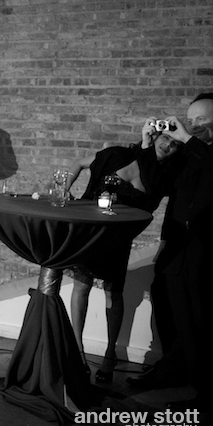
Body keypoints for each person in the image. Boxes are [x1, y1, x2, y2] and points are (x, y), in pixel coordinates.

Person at [64, 122, 184, 383]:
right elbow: (79, 163)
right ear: (155, 136)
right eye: (166, 138)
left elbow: (156, 202)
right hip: (89, 232)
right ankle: (78, 352)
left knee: (113, 293)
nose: (168, 145)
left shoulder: (162, 178)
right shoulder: (117, 155)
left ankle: (110, 355)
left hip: (117, 240)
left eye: (175, 144)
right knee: (81, 287)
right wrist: (65, 189)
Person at [151, 93, 213, 416]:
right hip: (178, 250)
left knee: (209, 326)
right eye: (190, 120)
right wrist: (152, 147)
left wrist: (187, 139)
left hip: (210, 254)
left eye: (201, 119)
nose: (194, 125)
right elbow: (158, 188)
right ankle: (190, 382)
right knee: (180, 320)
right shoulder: (187, 153)